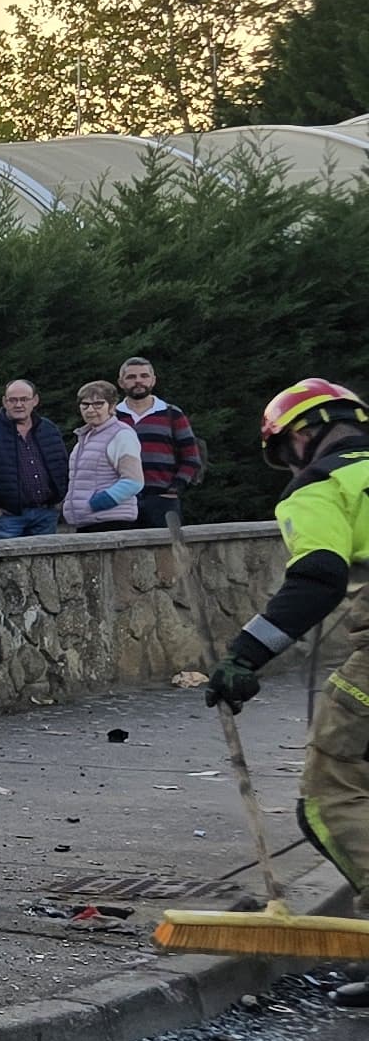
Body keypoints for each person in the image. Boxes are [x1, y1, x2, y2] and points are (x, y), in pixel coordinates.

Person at [203, 380, 369, 890]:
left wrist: (244, 658)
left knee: (329, 796)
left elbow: (318, 578)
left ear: (302, 436)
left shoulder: (323, 484)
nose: (292, 468)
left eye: (285, 454)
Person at [0, 379, 69, 538]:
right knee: (6, 563)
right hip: (7, 518)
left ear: (35, 400)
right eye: (13, 400)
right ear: (4, 402)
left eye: (24, 399)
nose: (18, 404)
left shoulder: (48, 428)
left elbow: (64, 466)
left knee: (43, 562)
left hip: (46, 515)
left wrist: (59, 501)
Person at [118, 356, 207, 529]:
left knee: (167, 553)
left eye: (144, 376)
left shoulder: (171, 414)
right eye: (131, 377)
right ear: (121, 382)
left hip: (162, 500)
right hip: (121, 501)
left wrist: (174, 489)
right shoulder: (112, 417)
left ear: (153, 380)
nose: (138, 381)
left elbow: (191, 457)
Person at [62, 379, 145, 532]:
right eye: (85, 405)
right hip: (87, 522)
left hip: (111, 522)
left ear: (112, 406)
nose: (90, 409)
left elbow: (134, 482)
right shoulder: (84, 438)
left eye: (98, 404)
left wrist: (97, 503)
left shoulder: (121, 434)